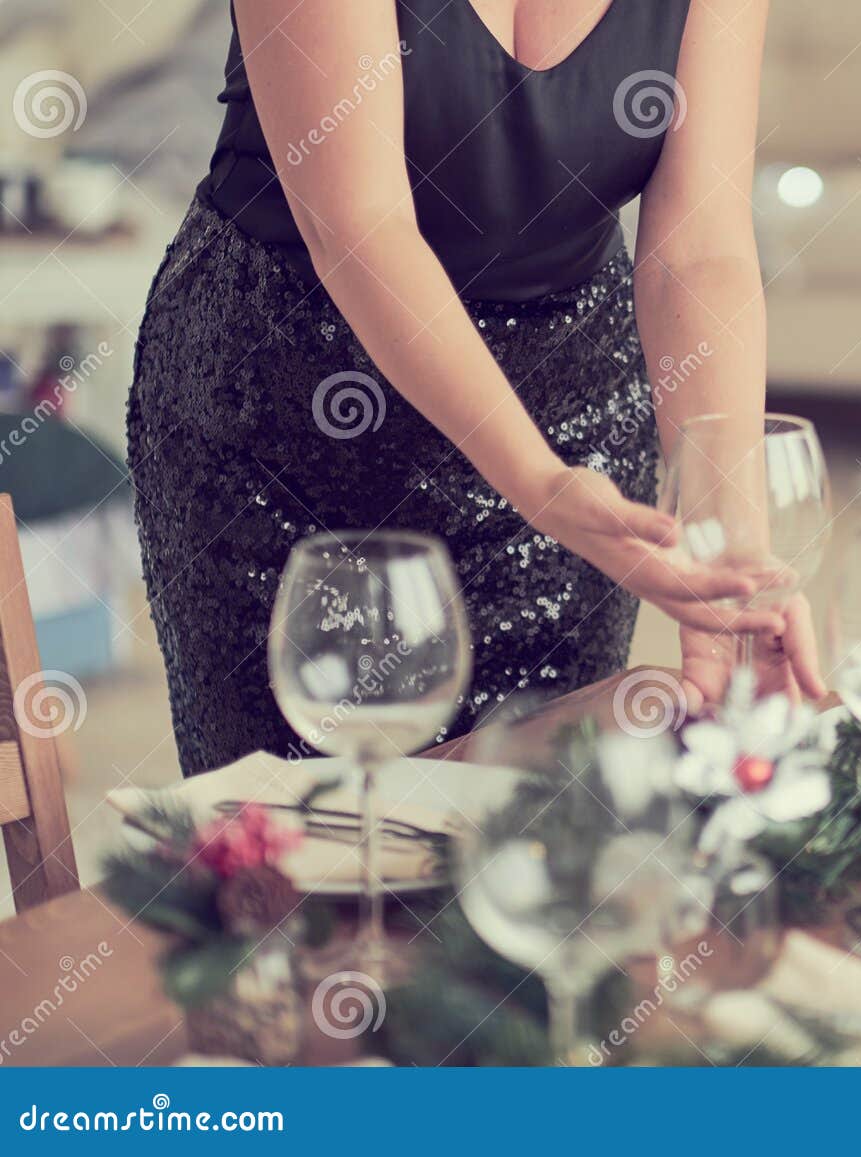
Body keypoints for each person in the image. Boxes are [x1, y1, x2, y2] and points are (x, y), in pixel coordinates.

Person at [127, 0, 821, 777]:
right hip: (287, 421)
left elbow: (700, 246)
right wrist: (538, 481)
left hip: (573, 417)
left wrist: (733, 563)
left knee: (531, 845)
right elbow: (360, 226)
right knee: (298, 844)